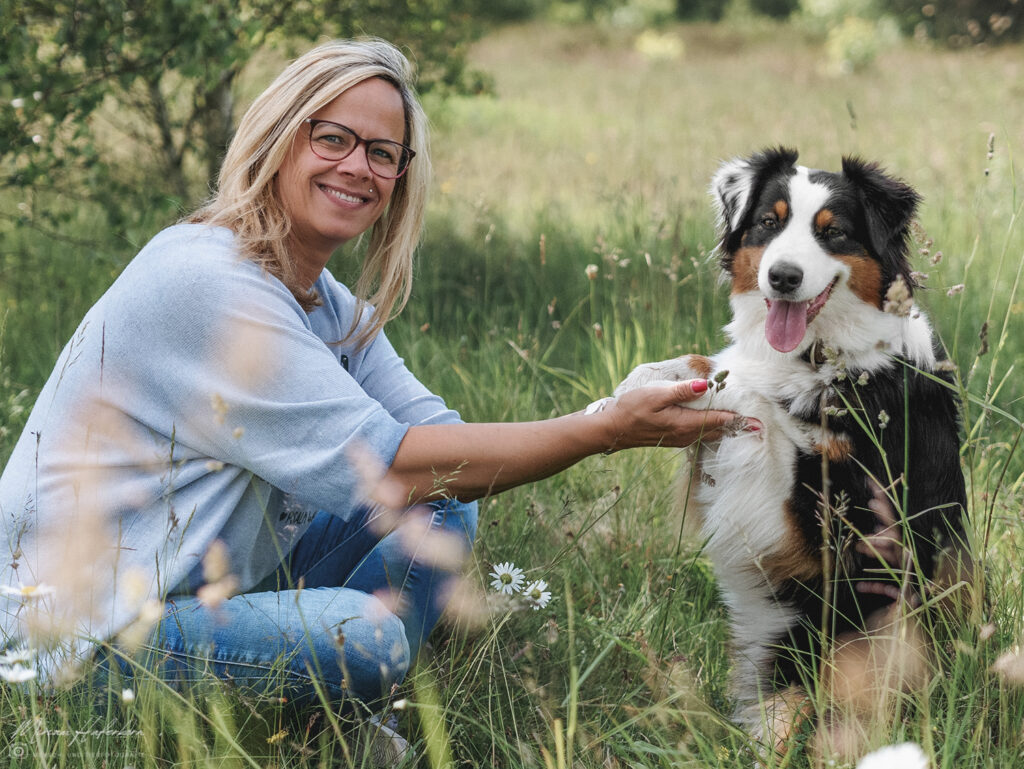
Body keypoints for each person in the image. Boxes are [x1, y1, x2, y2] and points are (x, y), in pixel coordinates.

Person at [0, 38, 740, 753]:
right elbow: (394, 467)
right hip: (82, 641)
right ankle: (345, 714)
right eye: (333, 138)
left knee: (446, 502)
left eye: (383, 153)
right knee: (374, 632)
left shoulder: (318, 298)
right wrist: (608, 430)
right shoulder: (210, 283)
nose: (359, 167)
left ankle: (329, 723)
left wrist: (610, 406)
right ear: (280, 139)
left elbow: (440, 445)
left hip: (197, 594)